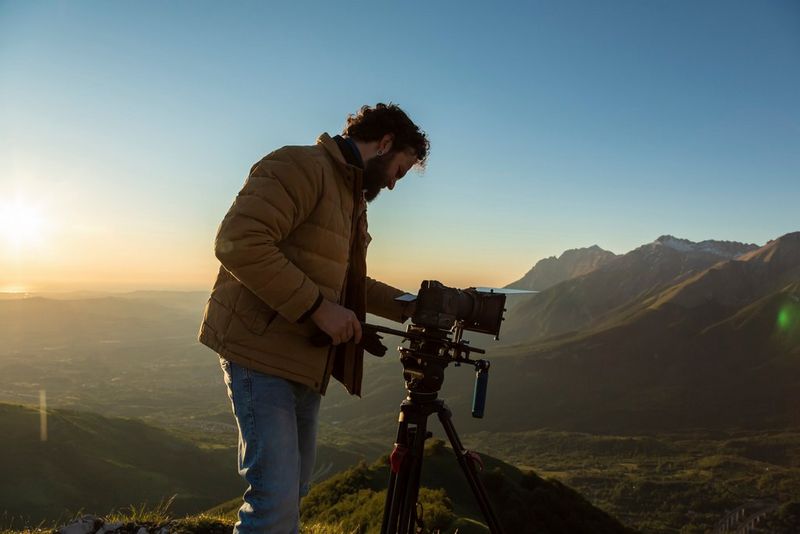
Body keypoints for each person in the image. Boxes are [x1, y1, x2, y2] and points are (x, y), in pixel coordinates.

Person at [198, 103, 429, 534]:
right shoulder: (299, 166)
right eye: (399, 170)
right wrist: (319, 310)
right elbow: (237, 242)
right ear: (384, 144)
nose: (395, 186)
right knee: (274, 501)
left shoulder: (350, 198)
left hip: (301, 359)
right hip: (259, 354)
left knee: (293, 491)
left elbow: (344, 281)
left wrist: (412, 305)